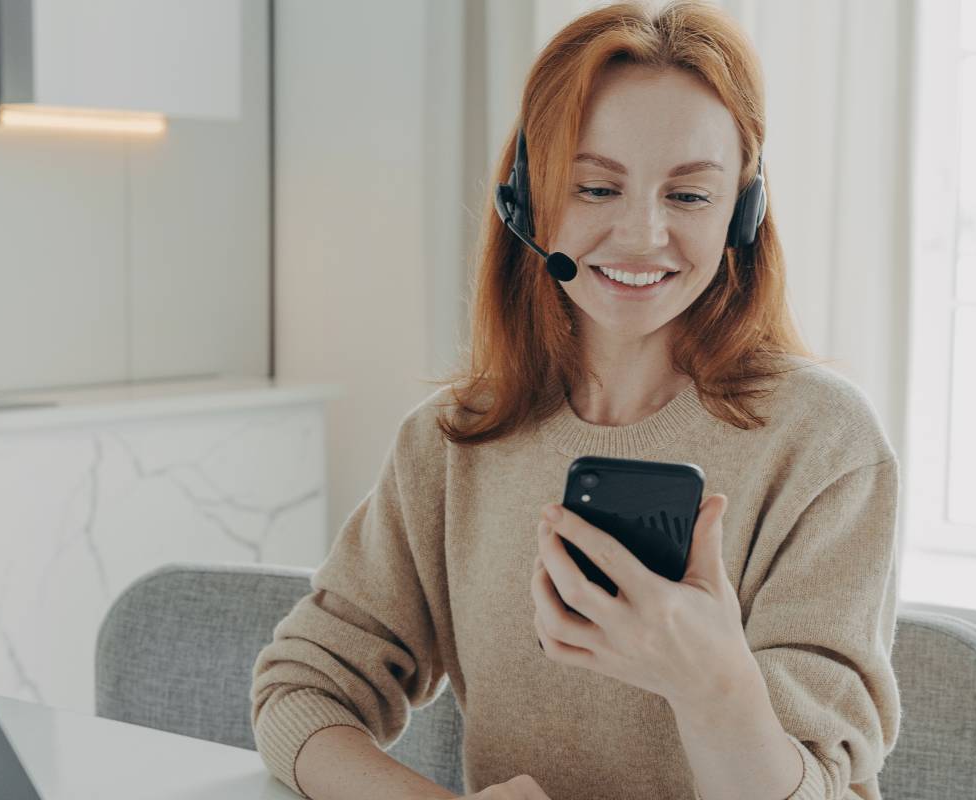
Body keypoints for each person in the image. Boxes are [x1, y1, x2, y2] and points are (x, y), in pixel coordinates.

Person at [250, 2, 901, 798]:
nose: (641, 235)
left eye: (690, 197)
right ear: (526, 200)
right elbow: (300, 690)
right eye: (596, 187)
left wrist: (712, 687)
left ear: (744, 211)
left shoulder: (824, 444)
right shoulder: (453, 443)